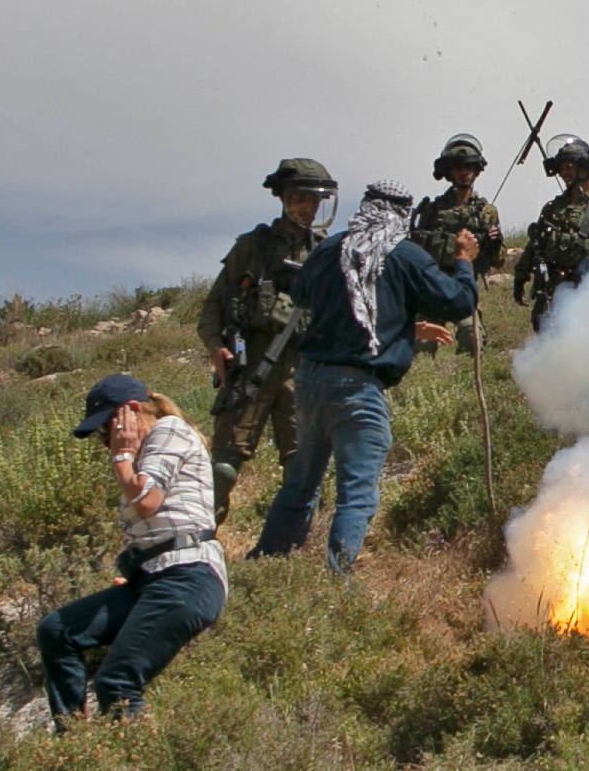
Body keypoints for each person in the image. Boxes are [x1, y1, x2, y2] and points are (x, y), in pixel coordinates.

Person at [247, 181, 478, 574]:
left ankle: (266, 565)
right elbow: (458, 301)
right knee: (357, 491)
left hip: (309, 382)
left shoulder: (328, 250)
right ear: (401, 213)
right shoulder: (403, 254)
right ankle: (340, 575)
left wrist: (405, 326)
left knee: (301, 482)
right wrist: (465, 260)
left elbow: (312, 297)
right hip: (358, 388)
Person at [38, 374, 226, 728]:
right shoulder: (146, 452)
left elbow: (147, 501)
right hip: (155, 578)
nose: (103, 441)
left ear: (132, 412)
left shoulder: (168, 430)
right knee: (57, 631)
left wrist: (122, 456)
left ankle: (136, 756)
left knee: (117, 683)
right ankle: (73, 746)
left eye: (105, 429)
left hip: (189, 576)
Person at [197, 158, 338, 524]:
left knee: (303, 464)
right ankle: (197, 537)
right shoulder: (253, 248)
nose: (309, 209)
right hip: (253, 365)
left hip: (304, 370)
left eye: (315, 201)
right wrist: (216, 346)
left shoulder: (326, 252)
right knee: (224, 465)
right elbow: (213, 304)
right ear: (285, 198)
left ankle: (294, 543)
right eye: (302, 199)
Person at [410, 133, 503, 355]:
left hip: (464, 287)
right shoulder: (432, 210)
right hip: (433, 285)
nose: (464, 173)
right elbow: (417, 251)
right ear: (449, 172)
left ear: (477, 171)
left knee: (473, 341)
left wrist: (493, 244)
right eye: (459, 167)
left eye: (469, 168)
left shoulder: (486, 212)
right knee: (421, 348)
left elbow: (498, 260)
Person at [513, 134, 589, 332]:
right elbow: (535, 245)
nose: (564, 172)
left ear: (584, 167)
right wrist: (521, 277)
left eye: (570, 167)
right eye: (562, 167)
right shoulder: (553, 208)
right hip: (555, 288)